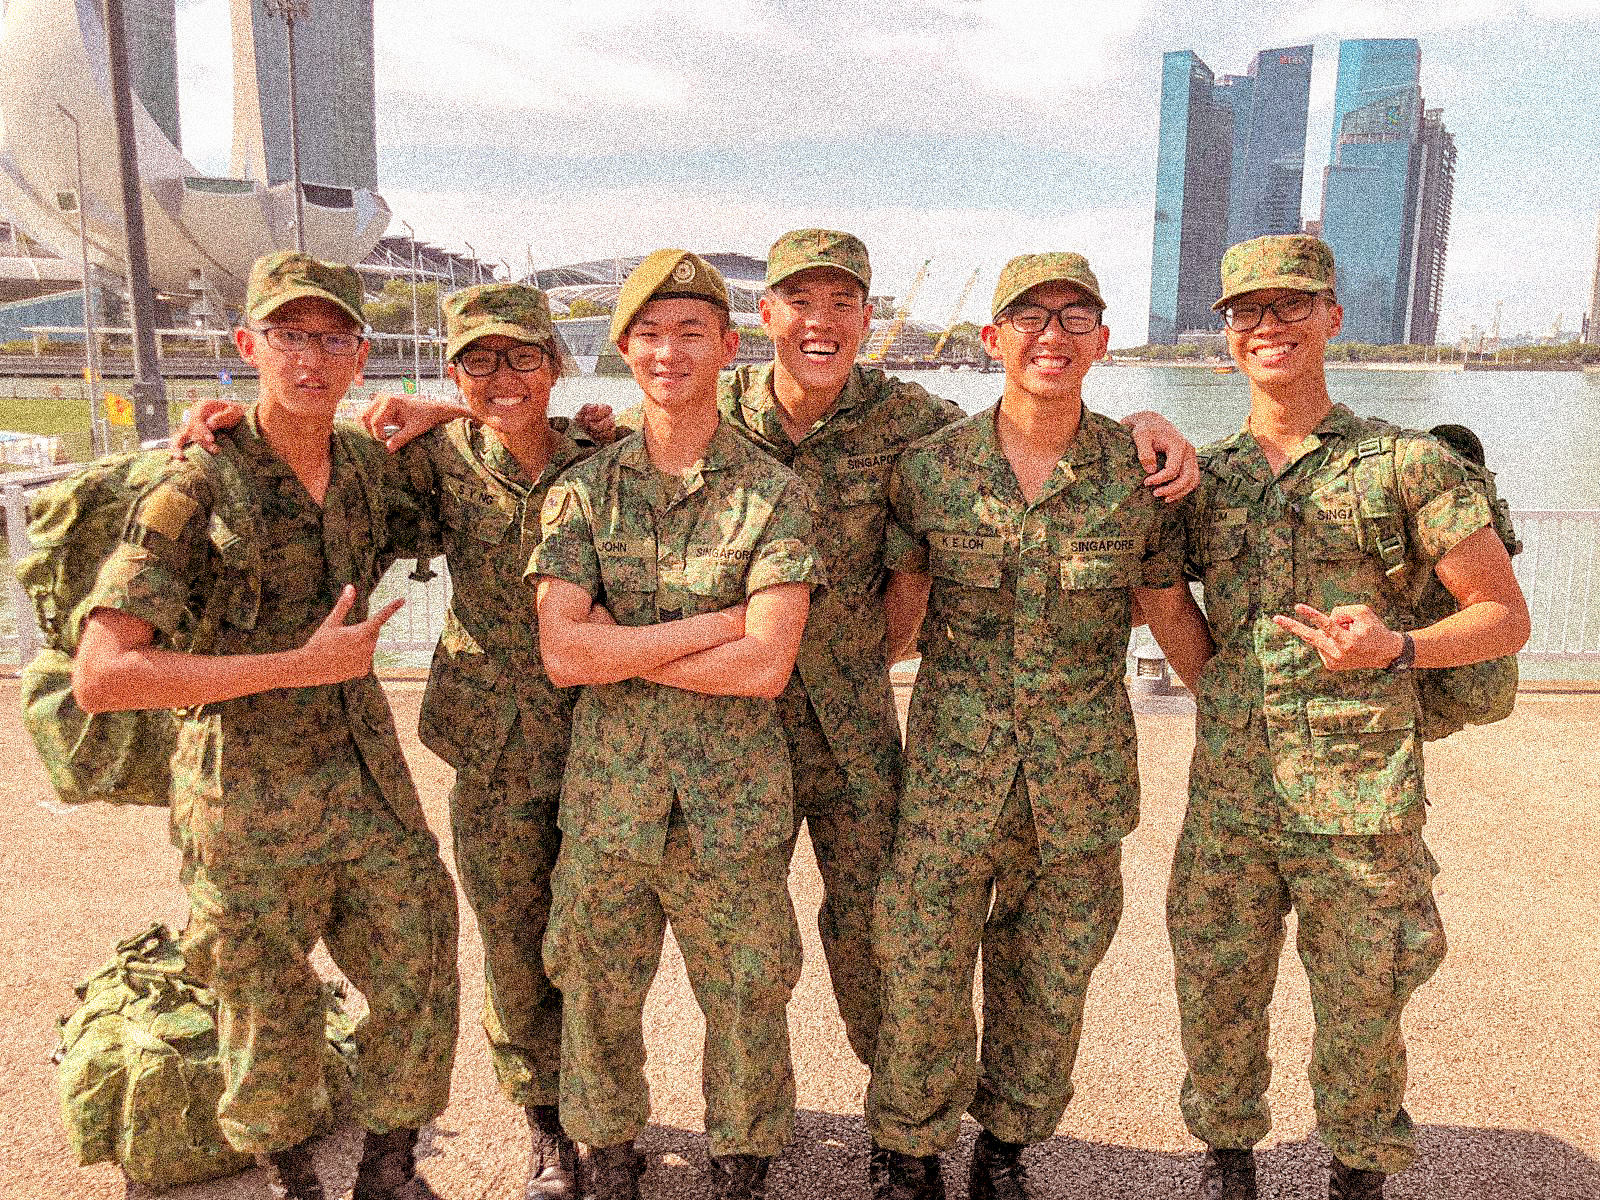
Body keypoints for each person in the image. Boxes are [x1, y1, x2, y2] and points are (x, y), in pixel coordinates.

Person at [599, 229, 1200, 1072]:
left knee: (881, 935)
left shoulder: (910, 423)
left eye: (843, 303)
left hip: (853, 727)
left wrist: (1140, 419)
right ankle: (748, 1129)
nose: (822, 322)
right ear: (764, 315)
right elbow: (573, 439)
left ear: (867, 317)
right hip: (726, 726)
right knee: (737, 937)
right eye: (801, 302)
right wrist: (435, 406)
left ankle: (903, 1124)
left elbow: (1025, 435)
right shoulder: (707, 408)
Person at [174, 283, 597, 1199]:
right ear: (451, 369)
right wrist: (223, 423)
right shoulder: (429, 465)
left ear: (558, 365)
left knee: (603, 946)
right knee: (512, 946)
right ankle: (548, 1128)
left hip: (610, 741)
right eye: (477, 359)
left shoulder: (606, 455)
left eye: (524, 355)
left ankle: (607, 1115)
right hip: (492, 743)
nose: (503, 374)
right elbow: (318, 444)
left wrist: (461, 402)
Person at [1147, 235, 1530, 1200]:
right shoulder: (1207, 476)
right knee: (1217, 988)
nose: (1267, 326)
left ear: (1333, 319)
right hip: (1233, 794)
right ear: (1226, 335)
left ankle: (1359, 1169)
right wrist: (1227, 693)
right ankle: (1228, 1161)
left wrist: (1397, 650)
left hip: (1362, 800)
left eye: (1290, 307)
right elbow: (1171, 604)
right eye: (1247, 312)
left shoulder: (1404, 467)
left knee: (1364, 1000)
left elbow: (1502, 616)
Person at [70, 251, 459, 1200]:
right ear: (248, 346)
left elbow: (499, 434)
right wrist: (295, 666)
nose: (311, 359)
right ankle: (292, 1176)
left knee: (423, 954)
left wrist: (440, 409)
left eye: (333, 339)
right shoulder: (198, 484)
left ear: (361, 356)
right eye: (290, 336)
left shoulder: (368, 465)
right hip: (243, 791)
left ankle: (391, 1163)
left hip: (363, 775)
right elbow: (102, 674)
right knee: (264, 1000)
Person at [863, 252, 1213, 1200]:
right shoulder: (931, 470)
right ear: (992, 340)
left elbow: (1170, 609)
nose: (1050, 337)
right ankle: (909, 1145)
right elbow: (898, 621)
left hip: (1080, 784)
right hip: (948, 784)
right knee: (922, 972)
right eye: (1029, 319)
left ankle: (1008, 1144)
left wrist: (1237, 706)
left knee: (1051, 982)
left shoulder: (1135, 473)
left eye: (1074, 319)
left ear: (1101, 342)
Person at [529, 249, 826, 1200]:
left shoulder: (775, 492)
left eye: (692, 331)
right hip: (611, 803)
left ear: (727, 346)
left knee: (746, 998)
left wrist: (632, 642)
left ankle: (741, 1164)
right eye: (650, 334)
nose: (670, 351)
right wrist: (712, 624)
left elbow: (766, 663)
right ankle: (607, 1158)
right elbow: (564, 655)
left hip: (728, 807)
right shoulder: (583, 489)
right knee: (598, 997)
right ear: (623, 350)